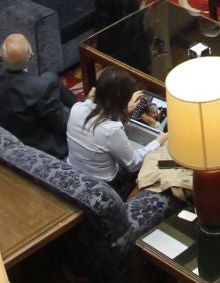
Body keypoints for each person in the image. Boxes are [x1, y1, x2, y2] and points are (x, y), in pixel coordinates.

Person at [0, 33, 73, 158]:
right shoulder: (42, 89)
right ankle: (80, 108)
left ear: (0, 56)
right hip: (41, 150)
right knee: (51, 78)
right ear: (30, 57)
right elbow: (63, 125)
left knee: (50, 78)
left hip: (1, 139)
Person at [67, 66, 156, 194]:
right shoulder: (111, 129)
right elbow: (134, 165)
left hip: (74, 171)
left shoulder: (77, 108)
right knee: (153, 161)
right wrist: (159, 141)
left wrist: (124, 110)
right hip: (105, 186)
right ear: (122, 100)